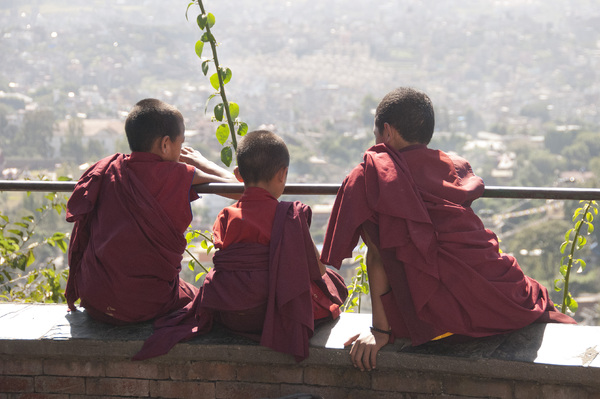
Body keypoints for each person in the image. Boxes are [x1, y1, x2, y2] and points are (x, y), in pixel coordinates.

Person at [320, 87, 576, 371]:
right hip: (495, 290)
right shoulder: (450, 167)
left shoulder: (373, 175)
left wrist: (380, 331)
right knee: (539, 302)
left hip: (428, 314)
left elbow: (379, 256)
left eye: (376, 134)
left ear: (388, 132)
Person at [133, 130, 348, 362]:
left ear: (237, 175)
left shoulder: (226, 215)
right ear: (283, 175)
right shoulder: (289, 216)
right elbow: (317, 270)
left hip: (231, 313)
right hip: (273, 311)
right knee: (332, 281)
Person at [65, 98, 237, 325]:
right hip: (147, 304)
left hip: (96, 299)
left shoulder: (109, 169)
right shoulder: (178, 174)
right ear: (165, 144)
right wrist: (201, 162)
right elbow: (241, 190)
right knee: (204, 303)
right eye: (180, 143)